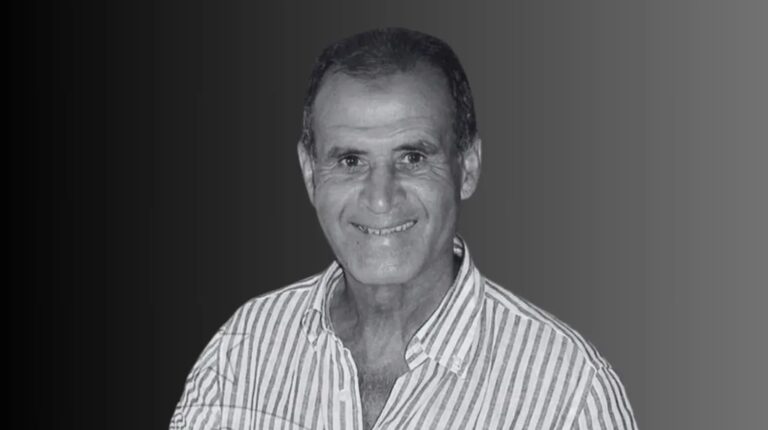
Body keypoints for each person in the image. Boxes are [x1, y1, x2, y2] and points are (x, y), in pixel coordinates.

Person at [170, 27, 636, 430]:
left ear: (468, 168)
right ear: (311, 175)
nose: (380, 197)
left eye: (412, 157)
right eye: (350, 161)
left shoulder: (569, 396)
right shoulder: (242, 353)